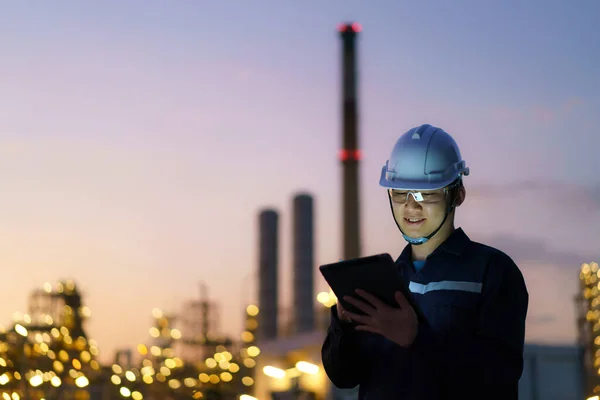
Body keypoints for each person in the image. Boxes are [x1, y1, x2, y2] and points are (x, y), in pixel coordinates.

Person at [321, 124, 529, 399]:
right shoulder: (385, 279)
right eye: (400, 194)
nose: (411, 206)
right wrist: (344, 326)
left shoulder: (492, 271)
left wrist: (417, 339)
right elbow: (344, 378)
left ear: (457, 195)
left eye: (426, 194)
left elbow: (498, 379)